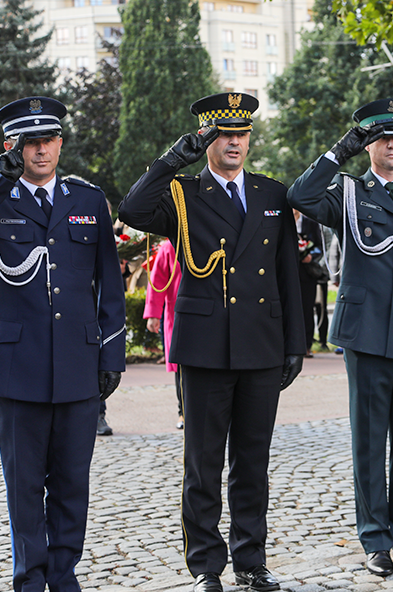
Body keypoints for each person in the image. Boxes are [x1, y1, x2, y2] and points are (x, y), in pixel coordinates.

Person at [118, 92, 305, 592]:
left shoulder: (271, 194)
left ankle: (251, 559)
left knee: (253, 462)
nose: (235, 143)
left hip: (261, 346)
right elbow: (133, 209)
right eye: (224, 135)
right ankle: (205, 565)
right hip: (205, 348)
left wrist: (295, 343)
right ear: (207, 139)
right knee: (202, 463)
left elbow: (288, 274)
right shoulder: (182, 194)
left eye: (241, 134)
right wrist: (173, 157)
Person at [0, 96, 125, 592]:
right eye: (29, 142)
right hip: (17, 365)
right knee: (24, 485)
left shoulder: (87, 200)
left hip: (77, 362)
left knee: (72, 484)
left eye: (48, 140)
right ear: (12, 147)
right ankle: (29, 581)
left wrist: (111, 355)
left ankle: (64, 577)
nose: (41, 150)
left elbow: (108, 286)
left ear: (61, 143)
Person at [287, 98, 393, 576]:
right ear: (368, 145)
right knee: (370, 443)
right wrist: (340, 150)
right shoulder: (347, 193)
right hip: (366, 337)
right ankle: (375, 540)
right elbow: (300, 196)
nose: (391, 145)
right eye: (381, 137)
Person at [143, 238, 184, 429]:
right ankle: (182, 412)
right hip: (176, 317)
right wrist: (153, 314)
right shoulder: (169, 247)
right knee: (181, 369)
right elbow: (157, 279)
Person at [294, 209, 324, 356]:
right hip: (290, 271)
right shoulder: (284, 221)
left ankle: (307, 344)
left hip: (308, 273)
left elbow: (320, 245)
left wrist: (311, 256)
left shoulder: (310, 223)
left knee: (307, 309)